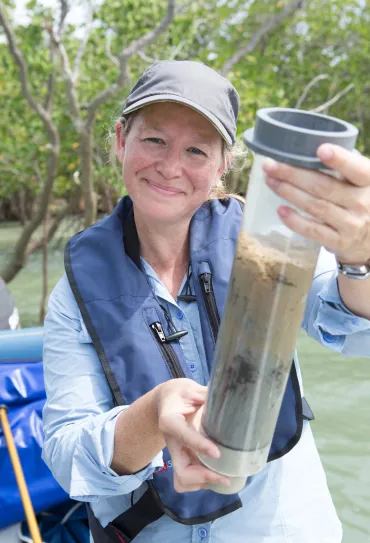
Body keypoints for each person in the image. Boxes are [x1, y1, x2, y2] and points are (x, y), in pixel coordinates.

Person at [42, 60, 370, 543]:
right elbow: (68, 453)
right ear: (119, 140)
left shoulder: (268, 240)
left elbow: (352, 329)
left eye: (196, 149)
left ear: (223, 165)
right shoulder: (74, 291)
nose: (171, 166)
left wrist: (358, 258)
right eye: (154, 139)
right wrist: (152, 416)